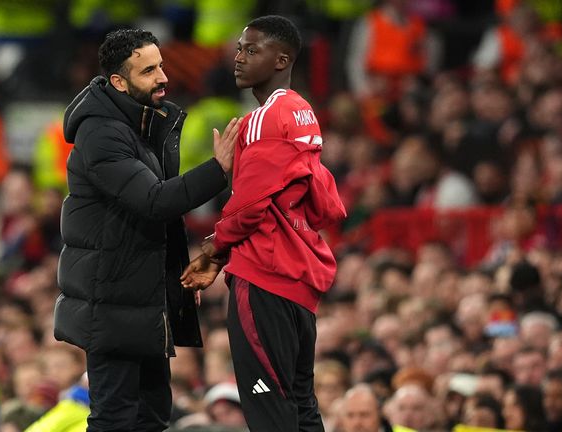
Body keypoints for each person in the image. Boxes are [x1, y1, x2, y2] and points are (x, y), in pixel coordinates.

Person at [53, 28, 239, 432]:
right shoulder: (101, 134)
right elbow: (153, 201)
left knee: (151, 418)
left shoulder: (137, 124)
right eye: (149, 70)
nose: (162, 77)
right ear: (119, 82)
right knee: (115, 421)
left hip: (142, 304)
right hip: (113, 304)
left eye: (161, 65)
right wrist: (217, 169)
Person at [181, 15, 346, 431]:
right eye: (239, 48)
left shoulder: (263, 118)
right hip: (298, 277)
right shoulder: (303, 111)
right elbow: (324, 203)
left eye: (252, 50)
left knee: (270, 414)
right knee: (301, 407)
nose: (238, 58)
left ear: (282, 59)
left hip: (264, 276)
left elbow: (249, 206)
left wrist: (212, 248)